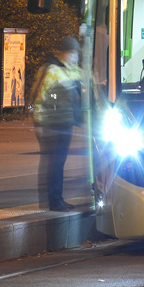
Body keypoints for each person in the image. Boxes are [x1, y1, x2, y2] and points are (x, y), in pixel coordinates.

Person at [33, 36, 83, 211]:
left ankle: (56, 199)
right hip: (51, 124)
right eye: (71, 52)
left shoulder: (73, 71)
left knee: (58, 162)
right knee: (54, 163)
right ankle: (54, 202)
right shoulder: (51, 70)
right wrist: (38, 124)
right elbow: (39, 98)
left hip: (65, 123)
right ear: (63, 52)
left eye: (76, 52)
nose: (74, 56)